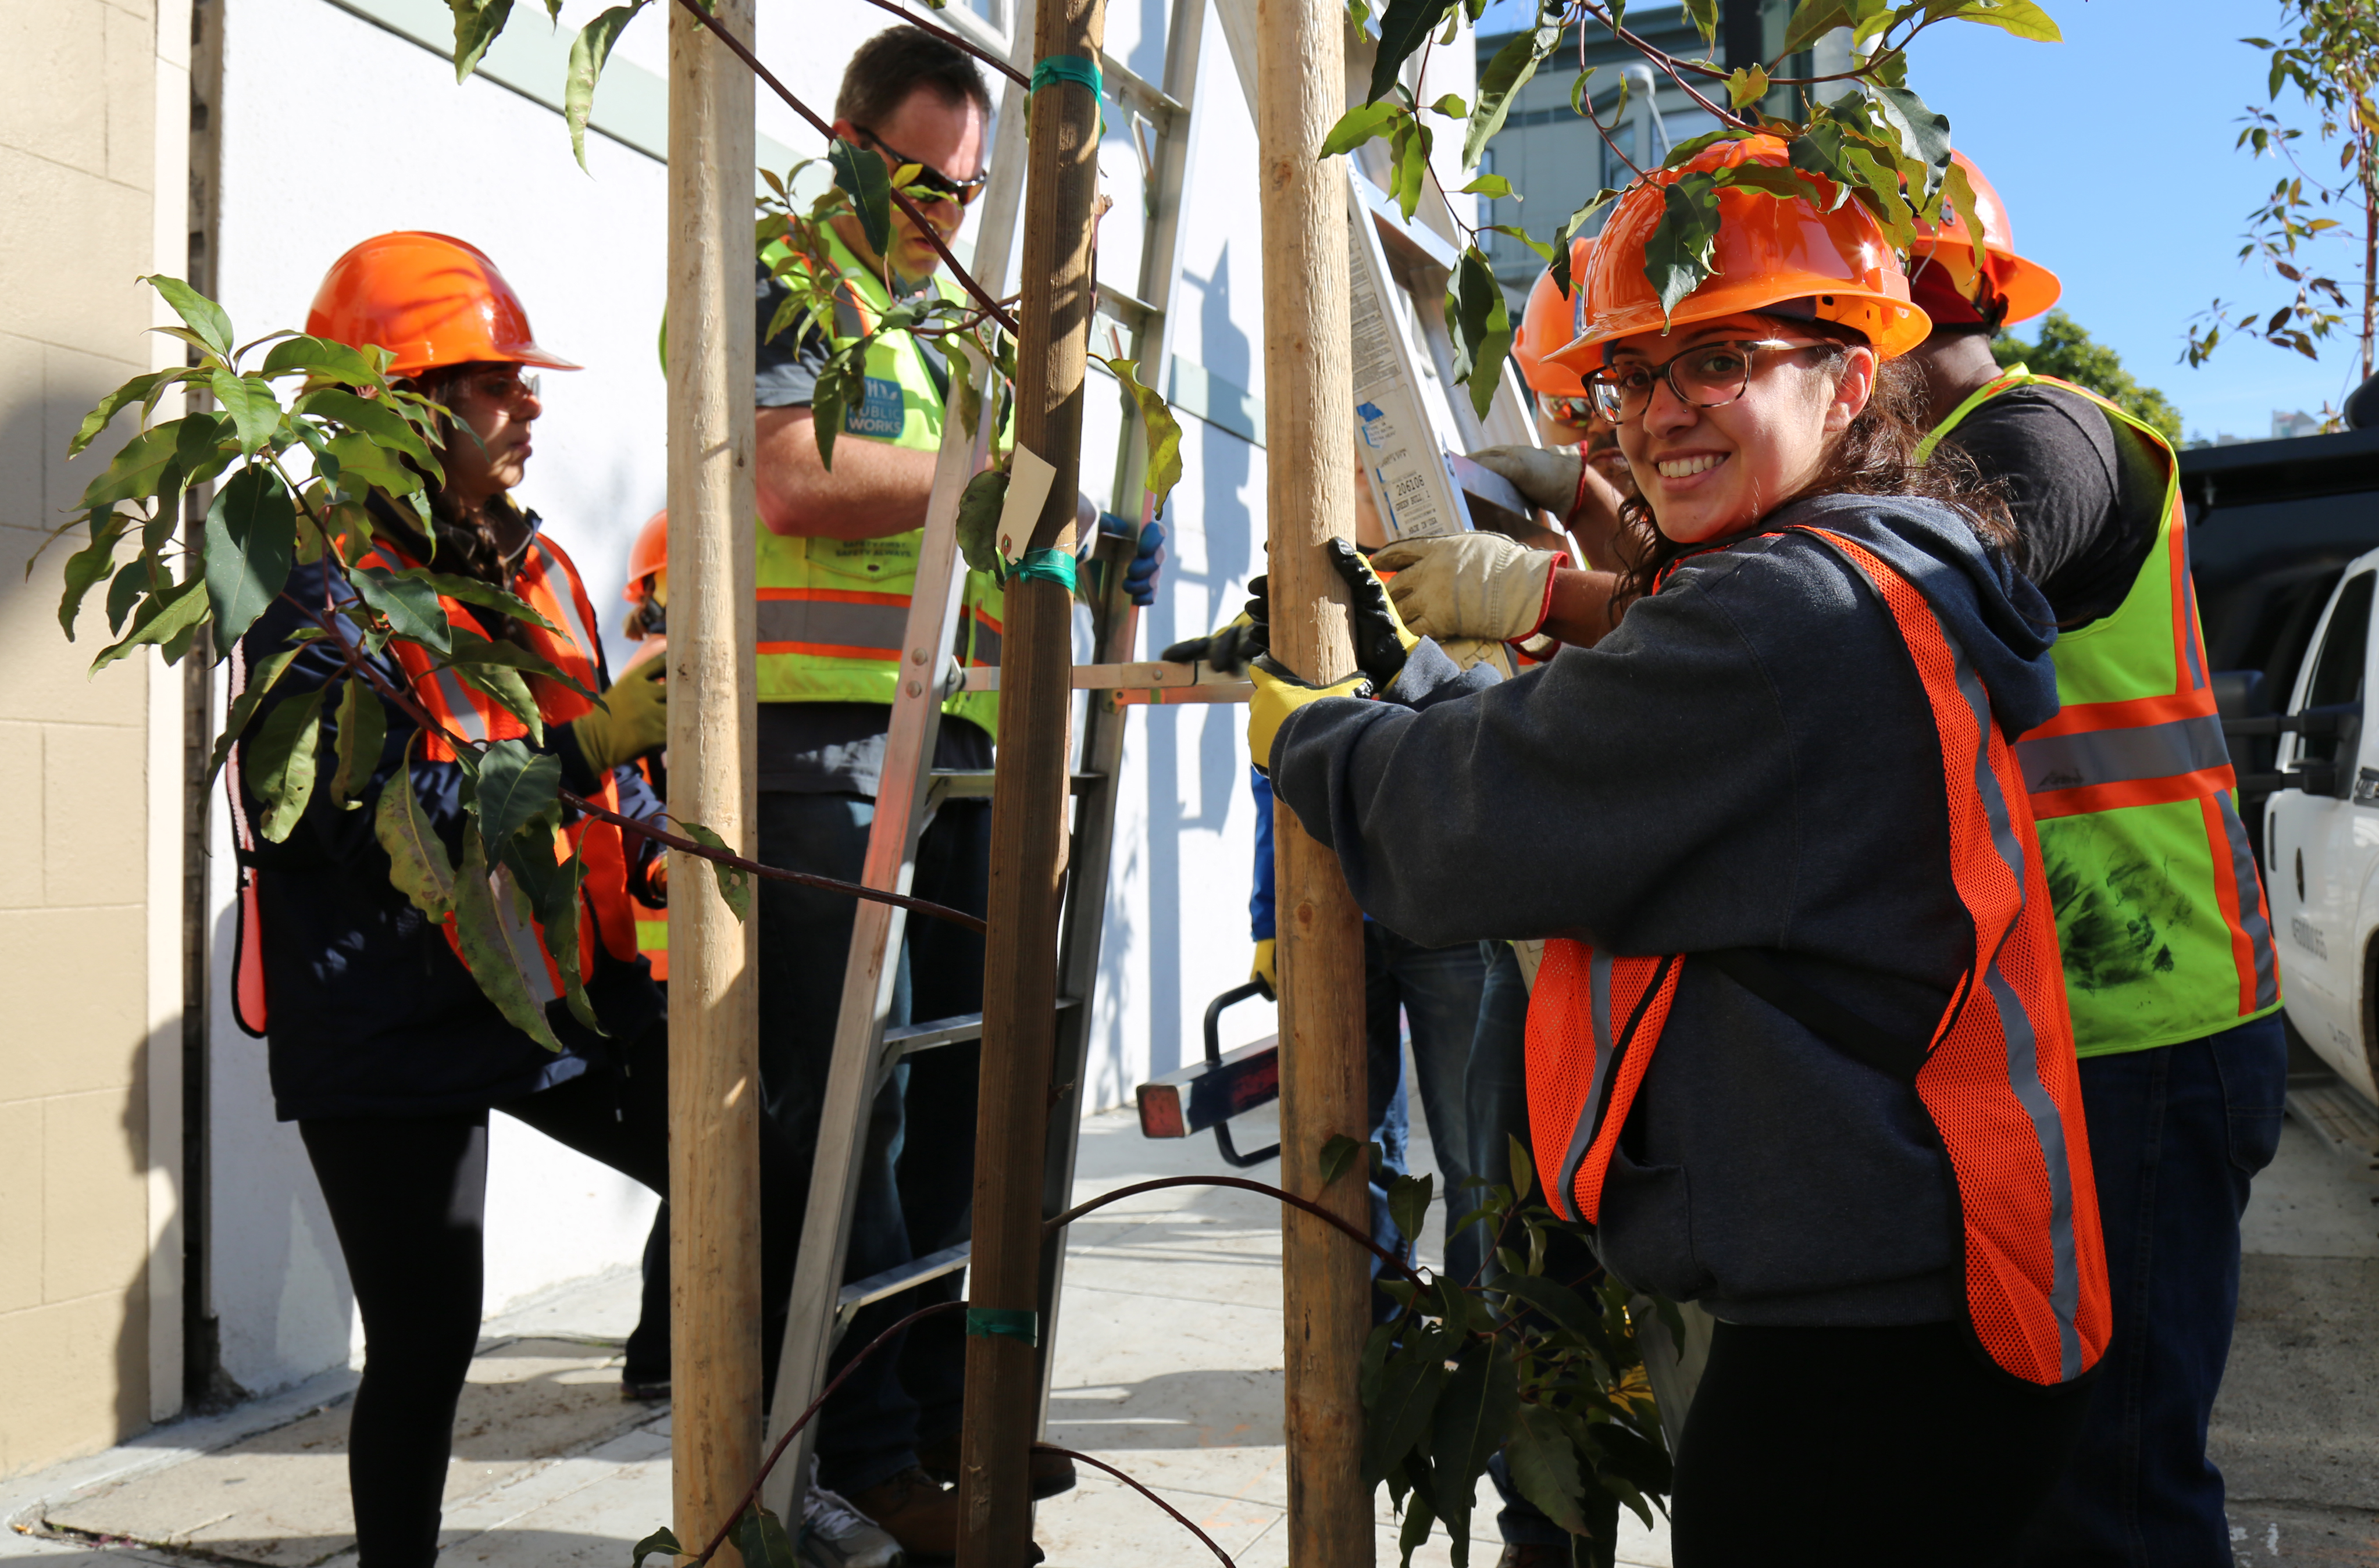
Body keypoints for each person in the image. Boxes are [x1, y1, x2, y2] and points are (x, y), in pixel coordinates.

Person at [1245, 135, 2110, 1566]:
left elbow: (1463, 831)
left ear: (1847, 381)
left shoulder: (1786, 617)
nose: (1660, 413)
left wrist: (1317, 735)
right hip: (1921, 1299)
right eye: (1637, 375)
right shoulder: (1862, 574)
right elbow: (1616, 775)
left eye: (1722, 361)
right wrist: (1418, 693)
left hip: (1868, 1352)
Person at [739, 26, 1161, 1556]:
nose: (936, 217)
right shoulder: (791, 278)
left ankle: (931, 1420)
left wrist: (1076, 527)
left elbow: (984, 505)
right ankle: (858, 1449)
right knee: (856, 1103)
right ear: (844, 139)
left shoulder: (935, 324)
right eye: (914, 183)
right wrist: (1008, 468)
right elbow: (790, 476)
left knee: (957, 1099)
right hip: (827, 742)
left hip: (951, 742)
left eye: (961, 196)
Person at [231, 232, 673, 1568]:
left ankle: (793, 1477)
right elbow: (332, 825)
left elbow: (600, 786)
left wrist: (659, 822)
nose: (531, 404)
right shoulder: (314, 591)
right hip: (379, 1012)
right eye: (495, 382)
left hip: (538, 984)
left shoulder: (529, 570)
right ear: (397, 407)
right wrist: (587, 749)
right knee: (425, 1341)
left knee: (745, 1178)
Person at [1900, 153, 2288, 1568]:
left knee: (2113, 1489)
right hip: (2070, 1029)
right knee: (2046, 1475)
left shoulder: (2048, 439)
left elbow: (1894, 590)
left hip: (2145, 1029)